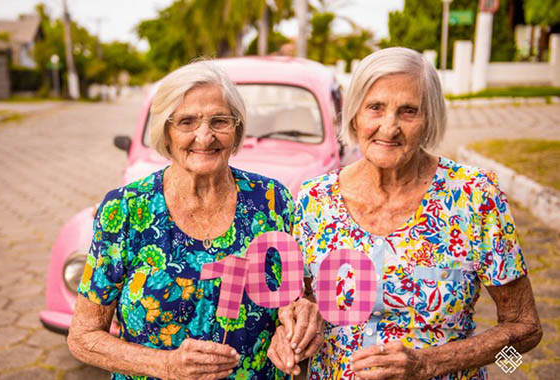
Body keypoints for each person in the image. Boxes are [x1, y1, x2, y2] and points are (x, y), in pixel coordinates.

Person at [268, 47, 542, 379]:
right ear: (354, 114)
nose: (389, 127)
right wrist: (297, 327)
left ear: (430, 120)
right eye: (375, 108)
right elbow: (304, 301)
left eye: (408, 111)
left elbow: (527, 332)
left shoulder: (475, 197)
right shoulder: (315, 199)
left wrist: (432, 363)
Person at [67, 60, 297, 380]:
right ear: (166, 131)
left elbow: (294, 301)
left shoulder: (272, 202)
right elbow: (83, 337)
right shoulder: (126, 210)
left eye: (219, 121)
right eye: (187, 122)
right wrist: (166, 366)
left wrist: (291, 330)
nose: (204, 136)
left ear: (237, 129)